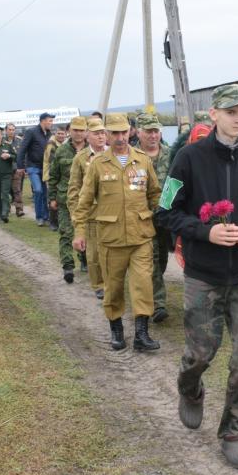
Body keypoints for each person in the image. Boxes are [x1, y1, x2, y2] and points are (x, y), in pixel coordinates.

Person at [156, 83, 238, 470]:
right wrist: (205, 232)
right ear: (214, 115)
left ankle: (234, 433)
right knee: (200, 354)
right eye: (231, 112)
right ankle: (189, 387)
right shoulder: (188, 158)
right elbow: (166, 212)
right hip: (203, 275)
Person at [73, 113, 161, 352]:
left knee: (143, 285)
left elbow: (154, 193)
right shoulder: (97, 164)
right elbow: (84, 201)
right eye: (114, 133)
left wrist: (164, 213)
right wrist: (79, 232)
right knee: (113, 288)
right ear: (107, 134)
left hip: (140, 236)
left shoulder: (142, 160)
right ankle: (117, 330)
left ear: (130, 132)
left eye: (123, 132)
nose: (120, 137)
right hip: (111, 238)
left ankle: (142, 334)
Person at [137, 112, 173, 323]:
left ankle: (153, 287)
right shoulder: (132, 157)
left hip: (167, 217)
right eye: (148, 131)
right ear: (138, 132)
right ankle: (158, 303)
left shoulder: (171, 154)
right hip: (143, 217)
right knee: (152, 257)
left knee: (163, 257)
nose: (153, 135)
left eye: (156, 131)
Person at [69, 117, 107, 299]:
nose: (101, 137)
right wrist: (77, 221)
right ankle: (99, 285)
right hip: (92, 214)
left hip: (113, 211)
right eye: (96, 133)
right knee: (94, 255)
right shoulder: (81, 158)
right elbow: (74, 191)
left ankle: (113, 282)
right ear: (87, 136)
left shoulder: (114, 154)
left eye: (103, 133)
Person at [48, 116, 87, 282]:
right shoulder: (61, 151)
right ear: (69, 131)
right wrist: (52, 197)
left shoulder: (92, 150)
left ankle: (85, 260)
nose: (78, 133)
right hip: (65, 200)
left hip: (88, 201)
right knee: (66, 232)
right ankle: (68, 267)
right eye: (75, 130)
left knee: (87, 233)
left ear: (86, 132)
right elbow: (53, 176)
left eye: (81, 130)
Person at [18, 112, 54, 226]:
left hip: (45, 168)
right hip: (33, 167)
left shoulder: (50, 134)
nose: (51, 123)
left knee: (45, 193)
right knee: (38, 190)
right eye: (50, 121)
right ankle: (39, 217)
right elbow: (22, 149)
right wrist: (20, 166)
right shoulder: (31, 132)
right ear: (43, 121)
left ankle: (46, 216)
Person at [44, 123, 69, 231]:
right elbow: (52, 162)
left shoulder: (67, 144)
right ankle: (53, 222)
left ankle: (61, 221)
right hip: (52, 175)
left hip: (64, 175)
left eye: (62, 134)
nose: (60, 135)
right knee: (53, 197)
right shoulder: (51, 144)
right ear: (55, 134)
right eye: (58, 133)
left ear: (66, 134)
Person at [6, 122, 25, 217]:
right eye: (9, 130)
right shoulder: (2, 141)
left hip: (16, 169)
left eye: (13, 130)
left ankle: (19, 209)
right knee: (6, 190)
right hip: (5, 170)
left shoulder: (19, 141)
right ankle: (6, 209)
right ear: (6, 130)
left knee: (17, 189)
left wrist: (23, 167)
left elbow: (23, 155)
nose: (11, 131)